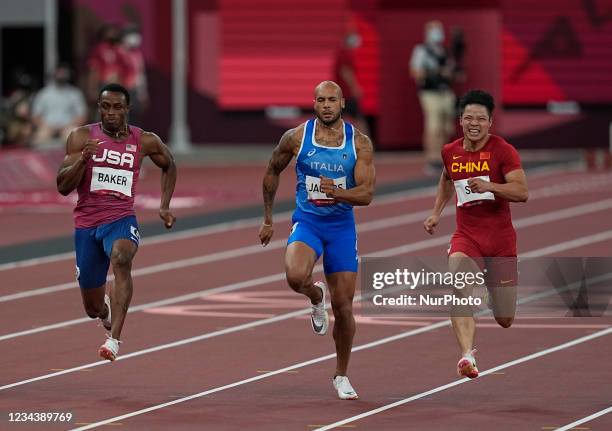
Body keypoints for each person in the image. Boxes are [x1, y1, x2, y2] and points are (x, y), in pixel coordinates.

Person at [259, 81, 375, 399]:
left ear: (342, 103)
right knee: (295, 276)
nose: (326, 105)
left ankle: (341, 375)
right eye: (321, 100)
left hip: (340, 227)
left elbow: (366, 194)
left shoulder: (359, 143)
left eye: (332, 100)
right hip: (308, 221)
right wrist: (268, 218)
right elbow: (272, 170)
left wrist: (339, 193)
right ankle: (313, 295)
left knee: (344, 307)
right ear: (314, 104)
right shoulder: (297, 137)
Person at [56, 83, 177, 361]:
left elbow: (169, 163)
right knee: (92, 308)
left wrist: (165, 205)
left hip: (121, 218)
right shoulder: (81, 137)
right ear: (99, 108)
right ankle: (105, 312)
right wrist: (82, 161)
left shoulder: (144, 140)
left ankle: (114, 340)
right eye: (105, 107)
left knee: (122, 258)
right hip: (87, 224)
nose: (111, 113)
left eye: (117, 107)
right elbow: (62, 186)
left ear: (127, 109)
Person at [423, 89, 528, 379]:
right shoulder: (450, 151)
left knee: (505, 318)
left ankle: (495, 294)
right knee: (458, 283)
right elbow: (446, 179)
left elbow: (522, 192)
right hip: (467, 236)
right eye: (468, 117)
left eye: (480, 118)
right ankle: (467, 356)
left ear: (490, 122)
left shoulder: (503, 151)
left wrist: (491, 186)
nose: (474, 123)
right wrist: (436, 212)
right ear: (460, 120)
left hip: (501, 241)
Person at [410, 20, 457, 174]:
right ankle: (431, 159)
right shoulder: (422, 50)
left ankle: (442, 157)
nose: (438, 34)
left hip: (445, 92)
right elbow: (415, 72)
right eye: (435, 31)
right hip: (430, 93)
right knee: (433, 125)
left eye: (440, 30)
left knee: (446, 127)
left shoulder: (444, 50)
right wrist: (435, 72)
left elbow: (451, 71)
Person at [32, 65, 87, 148]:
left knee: (74, 138)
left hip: (68, 127)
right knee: (39, 138)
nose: (61, 75)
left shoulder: (75, 93)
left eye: (63, 73)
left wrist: (67, 126)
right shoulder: (44, 93)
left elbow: (82, 116)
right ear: (54, 74)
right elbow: (35, 116)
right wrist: (47, 126)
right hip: (47, 127)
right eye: (59, 73)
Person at [333, 31, 370, 137]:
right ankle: (365, 142)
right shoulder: (345, 53)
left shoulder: (344, 52)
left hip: (342, 93)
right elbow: (345, 72)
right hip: (346, 93)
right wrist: (355, 88)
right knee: (358, 118)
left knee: (344, 119)